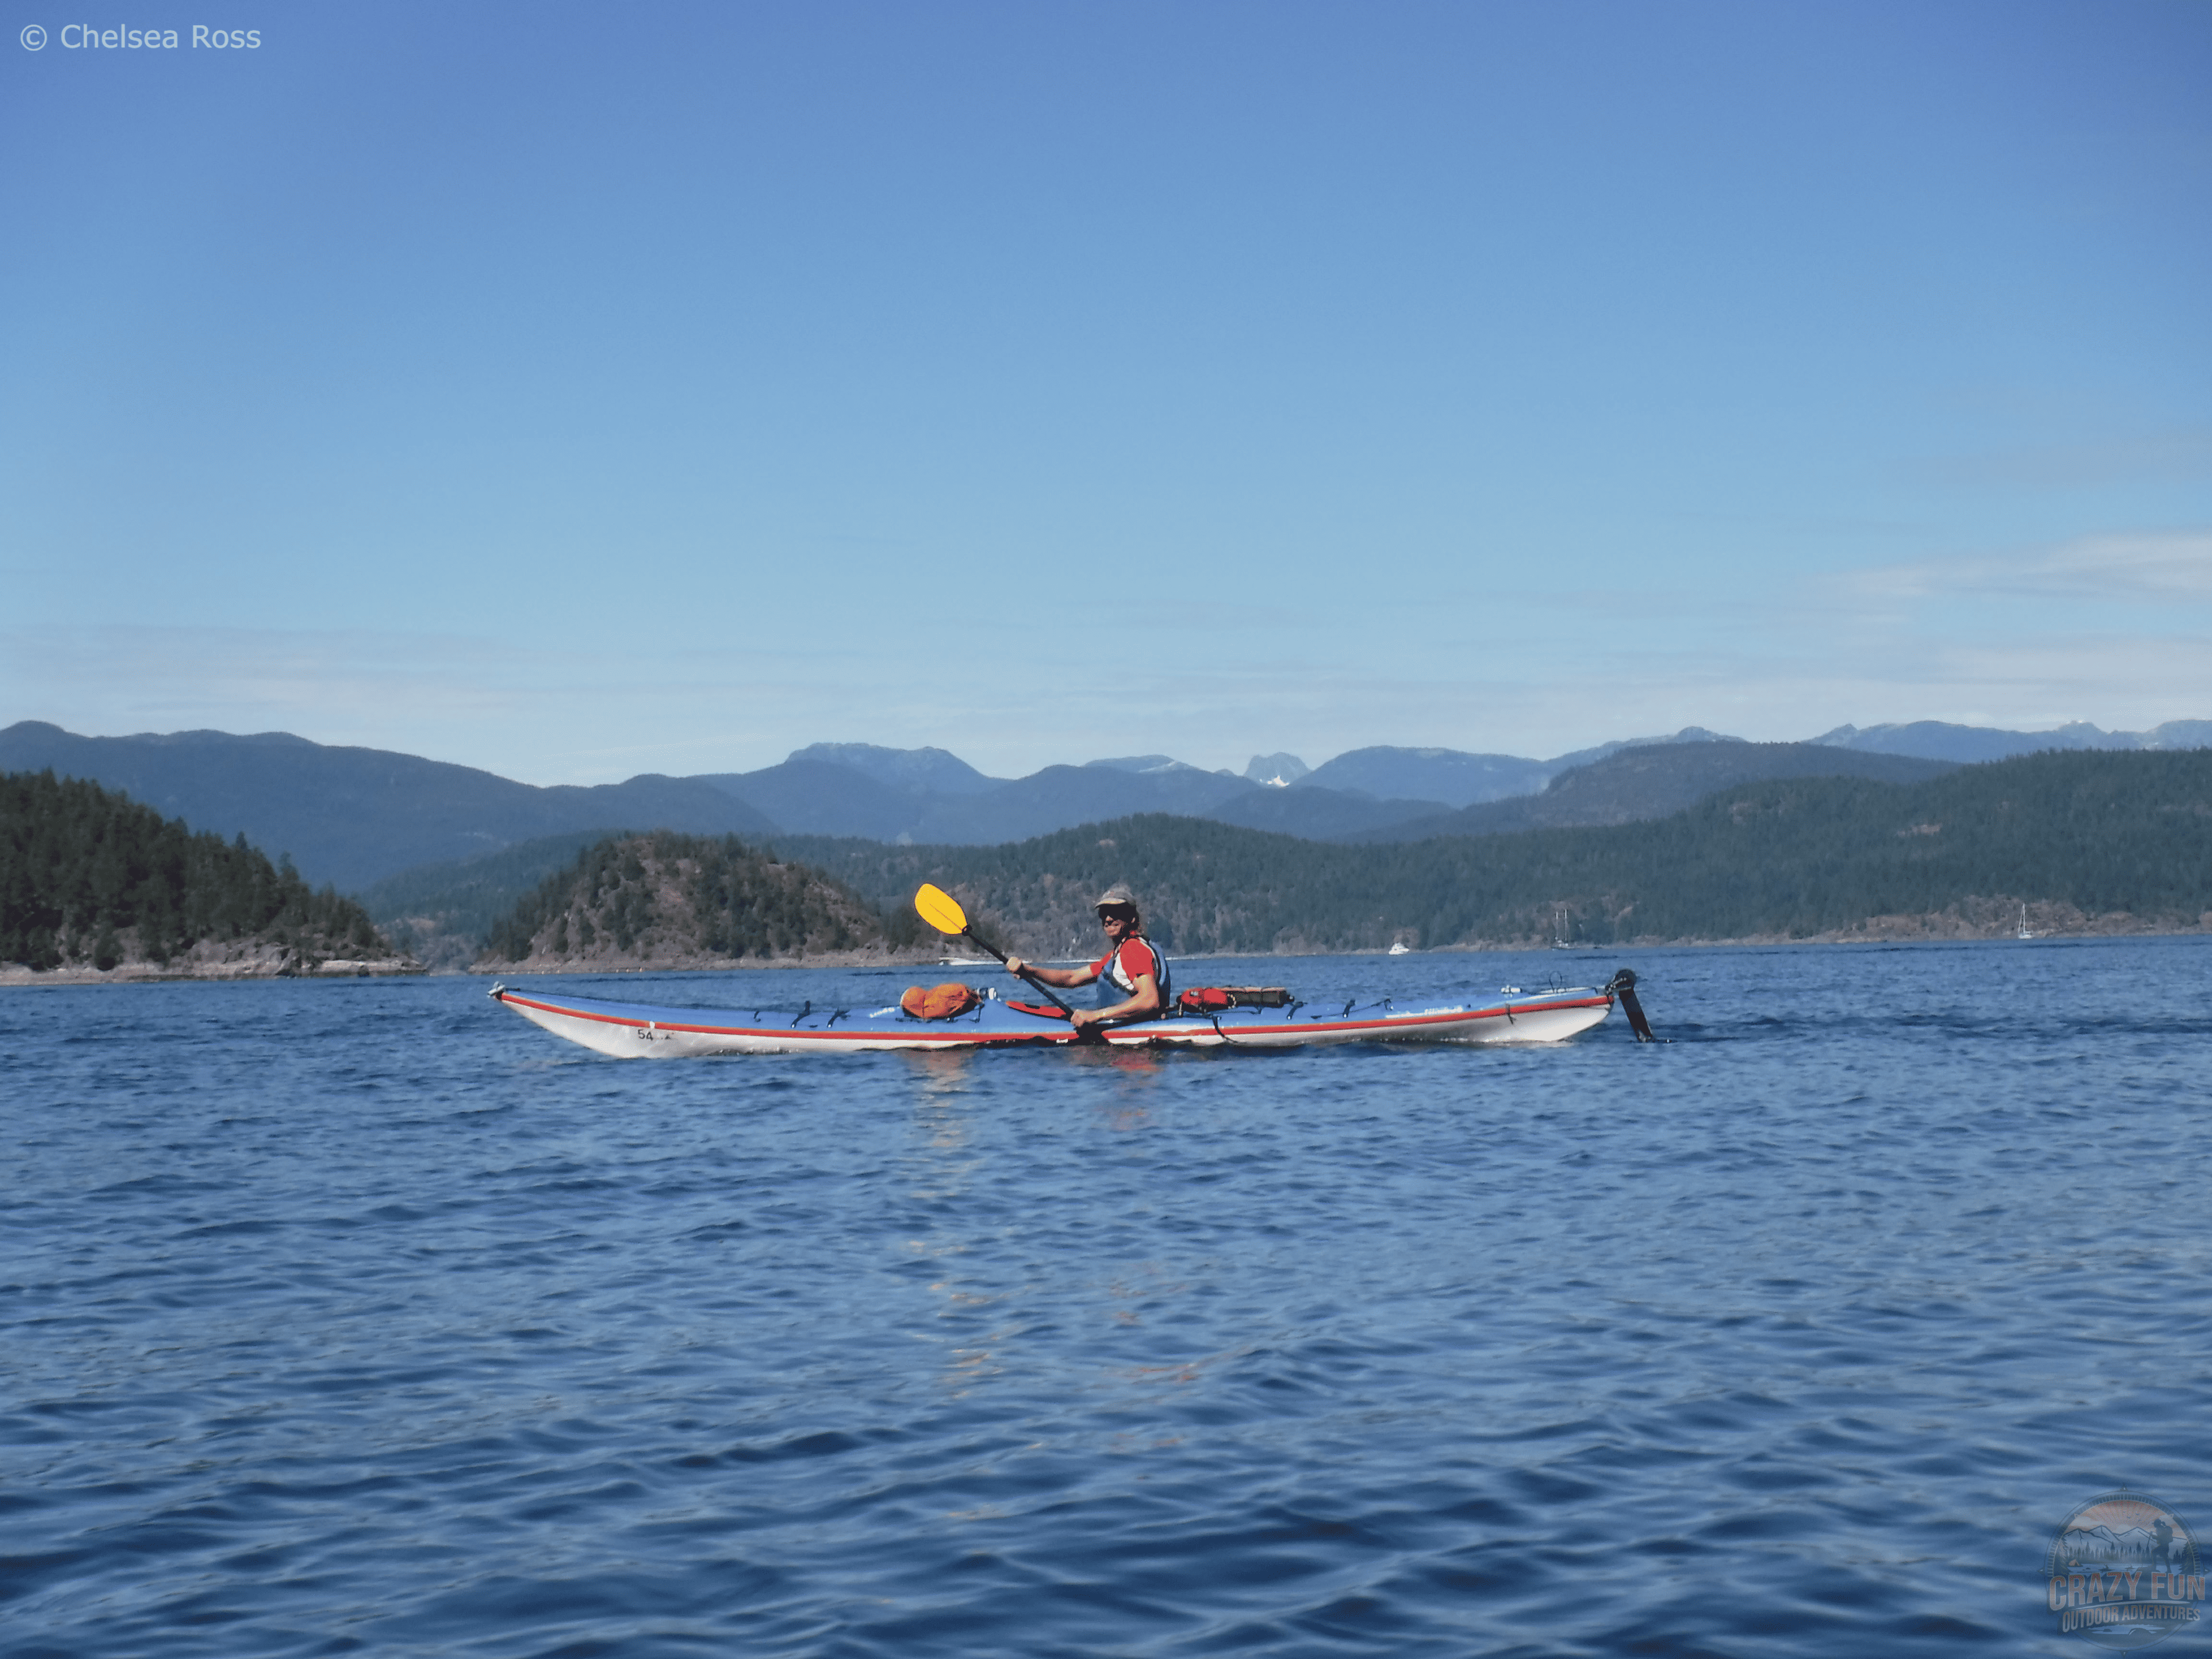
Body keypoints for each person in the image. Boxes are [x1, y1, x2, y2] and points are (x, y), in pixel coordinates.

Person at [1005, 884, 1172, 1031]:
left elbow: (1150, 1000)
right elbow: (1071, 978)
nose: (1108, 919)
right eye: (1104, 914)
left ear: (1132, 918)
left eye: (1115, 913)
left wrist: (1096, 1016)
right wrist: (1028, 970)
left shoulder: (1133, 949)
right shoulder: (1120, 953)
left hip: (1136, 1057)